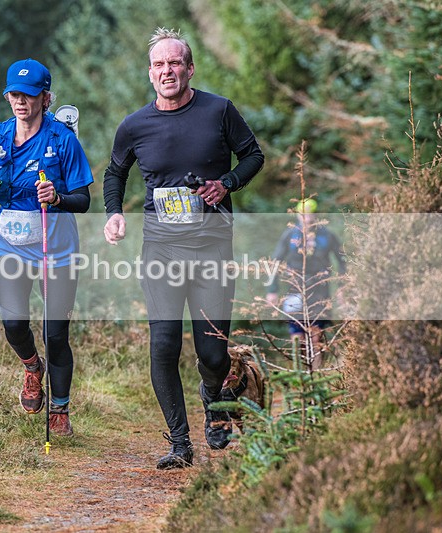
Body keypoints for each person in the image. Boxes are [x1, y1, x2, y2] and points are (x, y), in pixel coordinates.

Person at [102, 28, 264, 468]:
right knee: (164, 346)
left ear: (189, 69)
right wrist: (114, 212)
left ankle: (214, 395)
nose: (167, 71)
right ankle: (179, 443)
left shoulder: (219, 110)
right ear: (150, 74)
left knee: (212, 351)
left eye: (175, 63)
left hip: (212, 246)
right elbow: (114, 173)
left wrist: (226, 183)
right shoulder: (135, 125)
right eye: (159, 64)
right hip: (161, 250)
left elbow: (253, 156)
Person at [0, 58, 94, 436]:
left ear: (45, 97)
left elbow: (84, 199)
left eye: (28, 95)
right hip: (10, 244)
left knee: (55, 332)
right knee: (13, 323)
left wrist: (57, 196)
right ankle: (31, 366)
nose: (20, 102)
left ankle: (59, 410)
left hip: (56, 248)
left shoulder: (62, 140)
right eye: (14, 94)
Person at [266, 199, 346, 370]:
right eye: (303, 215)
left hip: (320, 289)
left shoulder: (327, 235)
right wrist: (272, 290)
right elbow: (275, 262)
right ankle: (299, 375)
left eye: (310, 214)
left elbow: (342, 261)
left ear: (316, 215)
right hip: (294, 287)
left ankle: (316, 374)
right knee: (297, 336)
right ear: (297, 215)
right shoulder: (290, 235)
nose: (307, 218)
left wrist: (342, 287)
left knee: (315, 335)